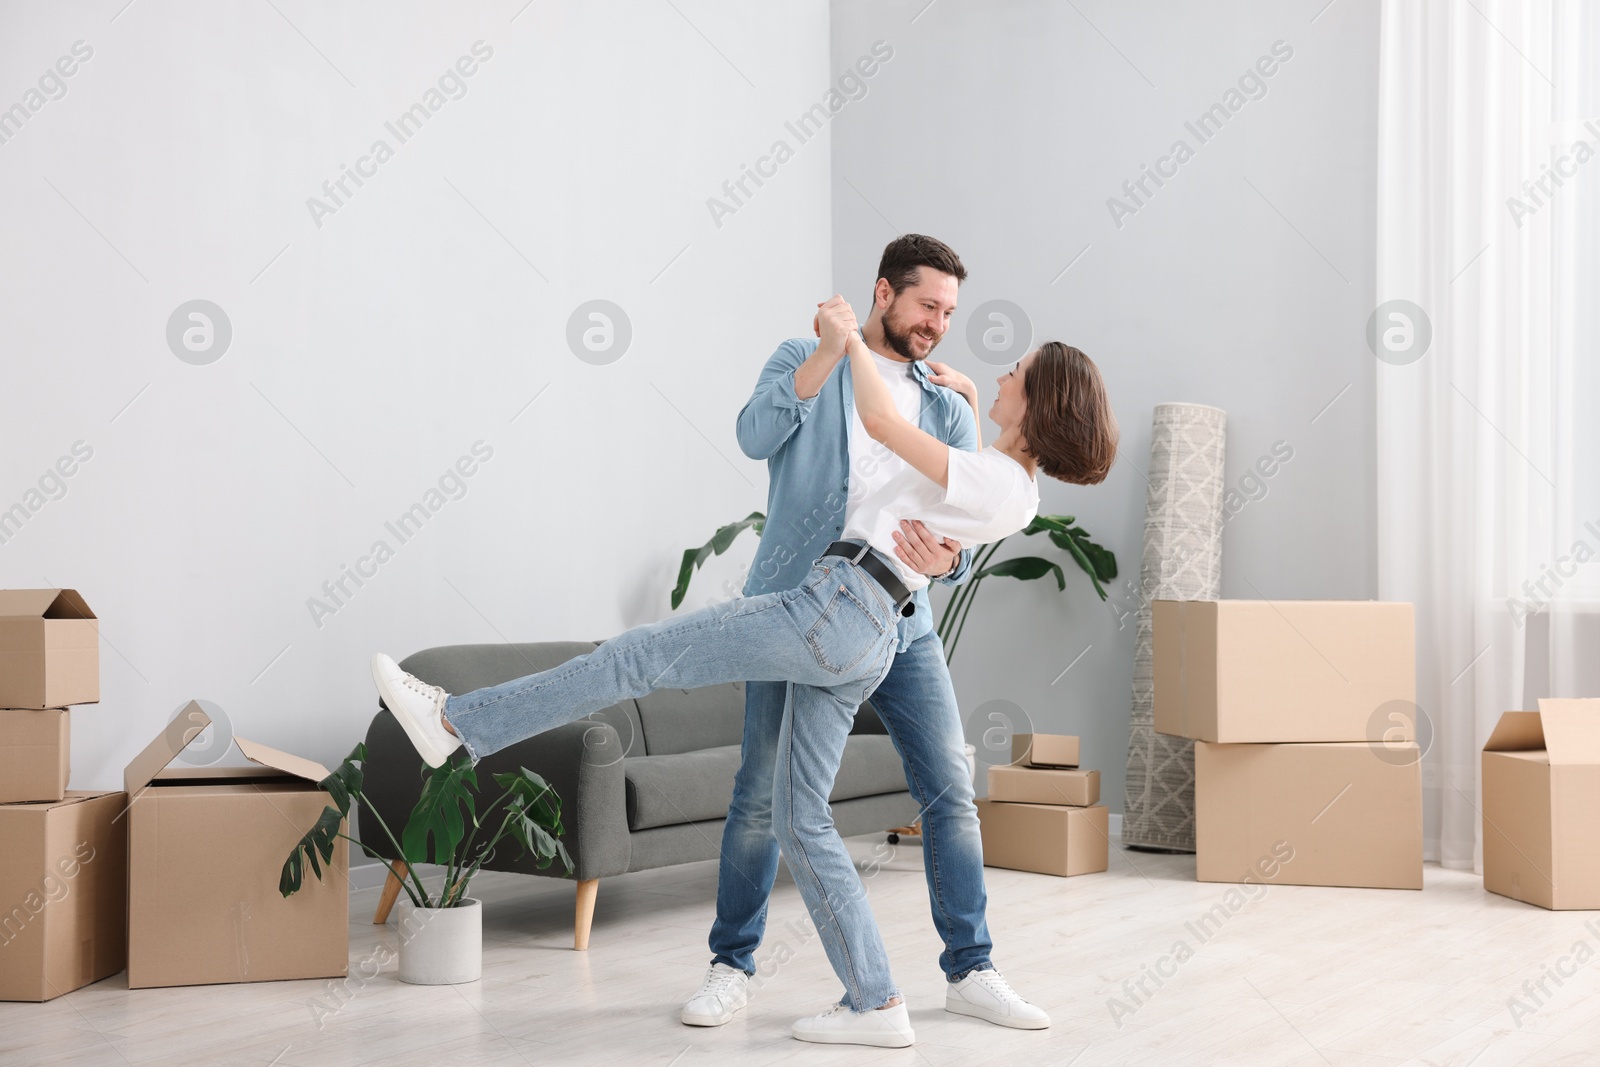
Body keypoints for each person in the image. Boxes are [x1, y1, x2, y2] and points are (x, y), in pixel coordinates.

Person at [375, 286, 1117, 1051]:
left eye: (1014, 372)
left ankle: (456, 721)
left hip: (837, 608)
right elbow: (938, 463)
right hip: (863, 624)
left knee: (638, 655)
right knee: (802, 818)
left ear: (1040, 402)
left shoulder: (993, 477)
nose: (995, 375)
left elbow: (882, 423)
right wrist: (954, 390)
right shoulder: (1004, 478)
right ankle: (875, 1000)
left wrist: (853, 343)